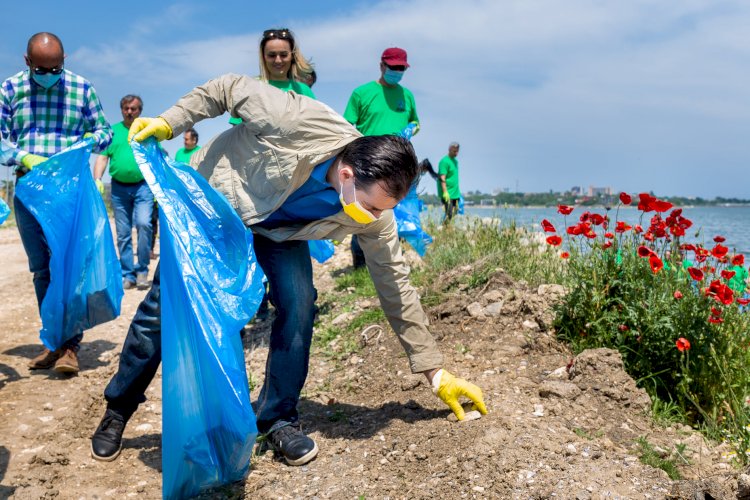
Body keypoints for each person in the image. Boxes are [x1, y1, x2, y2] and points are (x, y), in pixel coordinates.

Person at [90, 74, 486, 466]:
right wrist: (172, 121)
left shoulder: (375, 217)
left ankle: (279, 419)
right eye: (374, 206)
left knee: (299, 305)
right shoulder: (300, 119)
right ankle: (118, 411)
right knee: (164, 306)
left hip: (281, 233)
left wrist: (436, 373)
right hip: (217, 204)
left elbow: (396, 287)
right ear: (347, 176)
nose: (379, 218)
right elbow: (227, 88)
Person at [0, 32, 112, 373]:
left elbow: (105, 132)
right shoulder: (10, 90)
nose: (49, 76)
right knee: (41, 270)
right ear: (27, 62)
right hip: (30, 190)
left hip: (69, 191)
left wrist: (88, 140)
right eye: (42, 69)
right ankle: (54, 341)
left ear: (64, 62)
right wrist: (23, 156)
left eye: (55, 69)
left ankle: (70, 347)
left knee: (70, 266)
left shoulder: (82, 88)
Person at [343, 47, 419, 268]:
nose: (397, 71)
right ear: (382, 66)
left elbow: (415, 121)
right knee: (364, 215)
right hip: (368, 165)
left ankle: (390, 261)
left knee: (395, 214)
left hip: (399, 164)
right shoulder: (362, 93)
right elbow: (347, 126)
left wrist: (412, 128)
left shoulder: (407, 96)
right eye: (393, 67)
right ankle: (360, 264)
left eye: (401, 68)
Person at [94, 95, 153, 290]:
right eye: (126, 108)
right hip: (118, 189)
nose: (129, 111)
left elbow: (156, 157)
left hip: (143, 186)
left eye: (133, 108)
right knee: (123, 233)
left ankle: (142, 270)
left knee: (144, 224)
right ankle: (128, 274)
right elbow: (102, 158)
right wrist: (97, 180)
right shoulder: (112, 132)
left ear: (140, 111)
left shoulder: (146, 132)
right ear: (121, 110)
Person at [229, 27, 315, 126]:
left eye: (283, 55)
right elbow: (237, 129)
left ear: (292, 56)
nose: (278, 60)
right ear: (263, 57)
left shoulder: (304, 91)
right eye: (271, 55)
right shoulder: (248, 88)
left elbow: (316, 126)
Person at [437, 142, 461, 221]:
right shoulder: (444, 162)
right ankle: (444, 229)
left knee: (455, 213)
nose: (456, 153)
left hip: (455, 193)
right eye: (454, 151)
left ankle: (448, 229)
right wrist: (445, 192)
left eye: (457, 151)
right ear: (449, 149)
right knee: (449, 214)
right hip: (448, 193)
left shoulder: (455, 161)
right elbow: (442, 177)